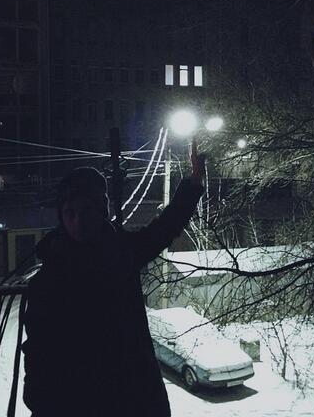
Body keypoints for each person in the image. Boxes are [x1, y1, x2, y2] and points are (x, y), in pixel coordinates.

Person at [22, 137, 206, 417]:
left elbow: (164, 229)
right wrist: (41, 402)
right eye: (70, 213)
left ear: (101, 212)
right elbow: (39, 351)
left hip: (135, 399)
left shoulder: (122, 253)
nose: (77, 221)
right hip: (79, 404)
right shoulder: (49, 280)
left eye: (86, 211)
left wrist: (193, 183)